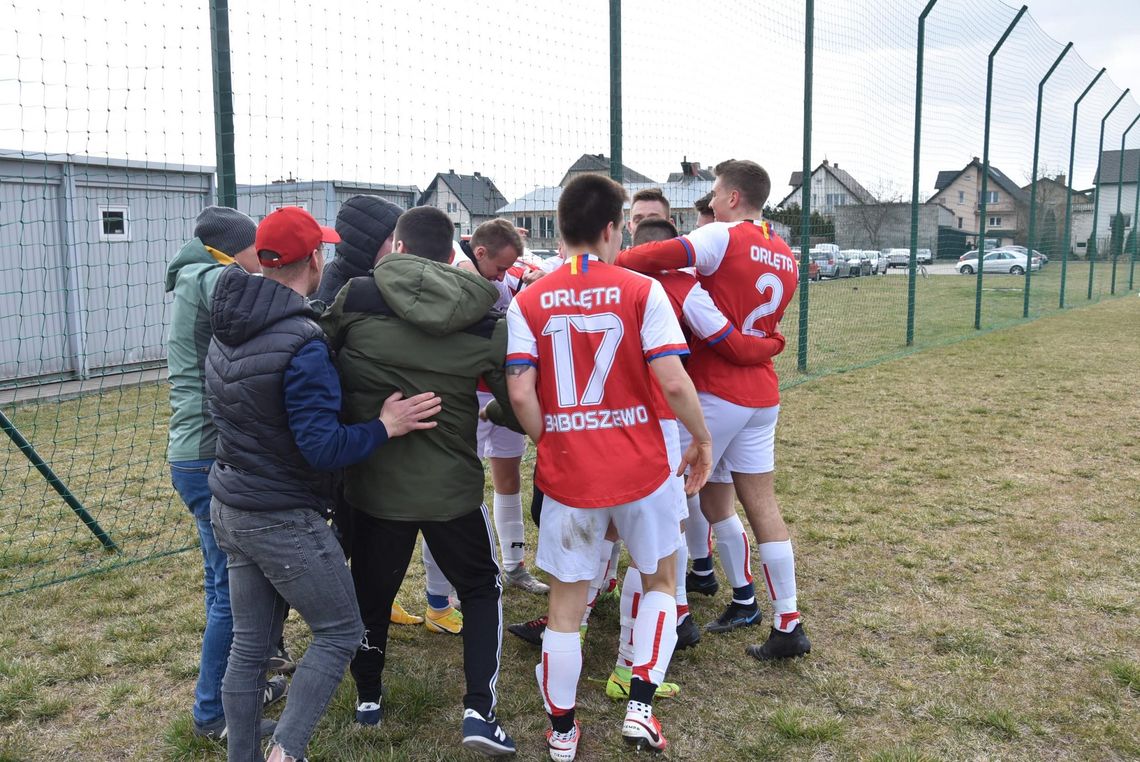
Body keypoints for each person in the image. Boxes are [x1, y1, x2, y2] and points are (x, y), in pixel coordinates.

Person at [205, 206, 441, 762]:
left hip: (232, 506)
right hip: (280, 516)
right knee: (339, 631)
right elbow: (322, 447)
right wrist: (386, 425)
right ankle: (286, 750)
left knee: (249, 647)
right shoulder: (301, 341)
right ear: (315, 259)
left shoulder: (227, 326)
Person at [505, 173, 713, 759]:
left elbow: (521, 395)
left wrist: (555, 438)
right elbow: (672, 380)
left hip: (572, 473)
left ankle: (564, 732)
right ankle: (641, 709)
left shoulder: (528, 297)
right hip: (644, 466)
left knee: (565, 607)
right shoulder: (642, 291)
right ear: (608, 228)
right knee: (660, 582)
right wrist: (700, 439)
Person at [321, 206, 519, 756]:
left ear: (399, 248)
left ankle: (368, 697)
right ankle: (479, 709)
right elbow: (518, 404)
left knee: (371, 589)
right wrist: (494, 415)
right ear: (454, 255)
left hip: (374, 482)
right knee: (480, 589)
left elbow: (319, 365)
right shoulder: (486, 318)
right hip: (450, 488)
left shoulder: (355, 298)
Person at [616, 159, 811, 661]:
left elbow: (661, 253)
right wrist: (765, 346)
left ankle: (677, 614)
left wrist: (607, 259)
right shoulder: (785, 252)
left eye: (716, 193)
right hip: (762, 397)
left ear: (729, 198)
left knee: (671, 503)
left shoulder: (724, 236)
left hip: (716, 392)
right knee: (758, 505)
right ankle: (786, 619)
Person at [165, 206, 288, 741]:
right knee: (226, 591)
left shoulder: (199, 276)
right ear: (235, 249)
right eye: (255, 250)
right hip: (206, 455)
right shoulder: (219, 279)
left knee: (236, 582)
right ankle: (212, 713)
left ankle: (245, 681)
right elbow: (276, 310)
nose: (259, 261)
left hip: (196, 451)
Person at [456, 219, 549, 594]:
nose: (505, 274)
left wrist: (539, 276)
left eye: (511, 266)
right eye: (499, 267)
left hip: (510, 389)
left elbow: (538, 273)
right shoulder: (458, 274)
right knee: (463, 485)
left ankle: (514, 566)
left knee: (508, 479)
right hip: (468, 392)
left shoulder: (513, 271)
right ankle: (452, 582)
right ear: (479, 254)